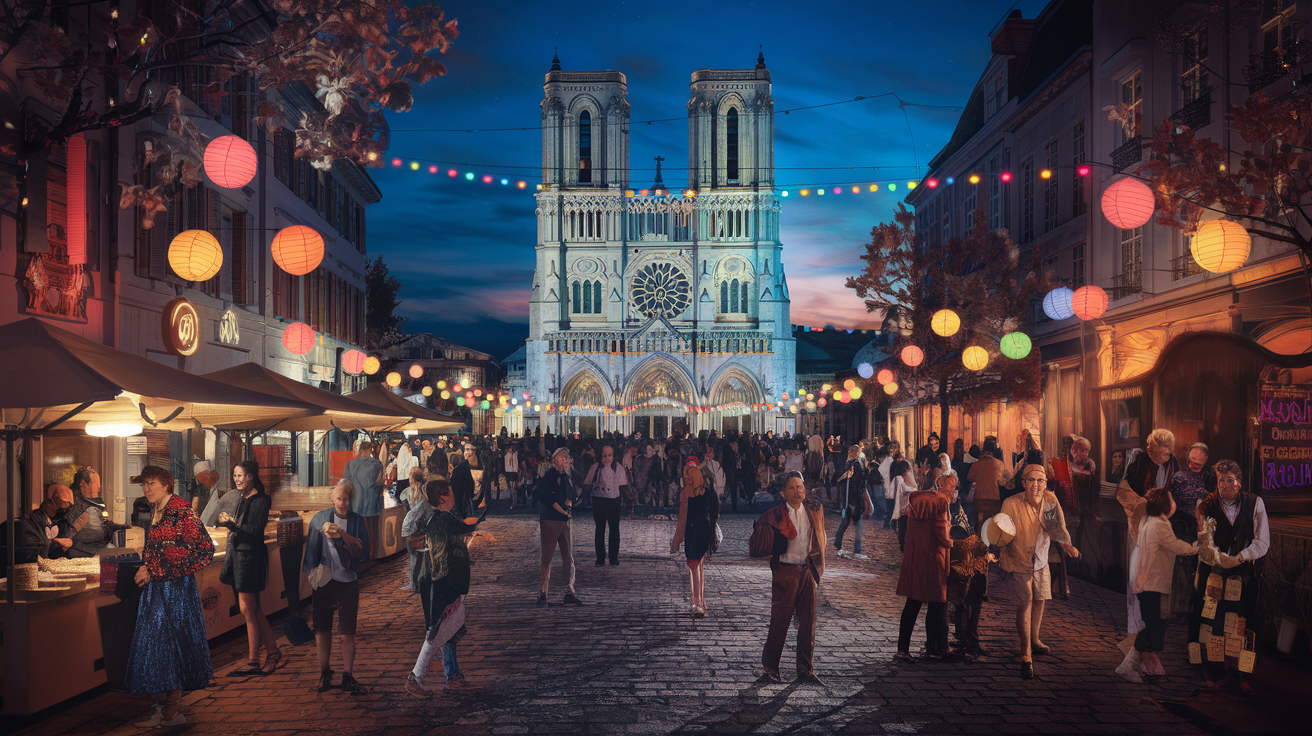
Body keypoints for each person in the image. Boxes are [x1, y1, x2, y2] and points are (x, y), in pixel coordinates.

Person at [125, 466, 215, 728]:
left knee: (171, 646)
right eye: (143, 484)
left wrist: (157, 570)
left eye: (151, 483)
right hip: (157, 591)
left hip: (175, 591)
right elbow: (158, 549)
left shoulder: (180, 510)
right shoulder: (156, 509)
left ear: (167, 485)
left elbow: (204, 550)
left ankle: (172, 712)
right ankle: (165, 707)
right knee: (158, 649)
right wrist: (146, 566)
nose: (146, 488)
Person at [1189, 459, 1268, 689]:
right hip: (1215, 571)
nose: (1225, 485)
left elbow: (1262, 540)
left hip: (1244, 573)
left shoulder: (1256, 503)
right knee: (1213, 622)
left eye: (1230, 480)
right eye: (1221, 480)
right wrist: (1219, 557)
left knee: (1242, 624)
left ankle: (1242, 675)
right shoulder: (1206, 505)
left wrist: (1240, 557)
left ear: (1239, 482)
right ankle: (1215, 673)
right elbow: (1205, 540)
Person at [997, 464, 1080, 679]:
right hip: (1019, 560)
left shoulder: (1050, 500)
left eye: (1040, 480)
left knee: (1040, 597)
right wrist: (1016, 555)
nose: (1036, 485)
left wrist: (1066, 545)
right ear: (1023, 482)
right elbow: (1002, 535)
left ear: (1046, 483)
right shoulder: (1011, 503)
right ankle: (1026, 656)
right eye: (1031, 480)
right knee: (1025, 601)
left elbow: (1055, 527)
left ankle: (1034, 639)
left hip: (1041, 558)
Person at [404, 479, 481, 697]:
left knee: (448, 628)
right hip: (443, 583)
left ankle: (451, 675)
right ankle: (417, 676)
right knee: (440, 630)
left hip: (442, 582)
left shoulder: (437, 519)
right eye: (451, 492)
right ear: (444, 497)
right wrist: (480, 525)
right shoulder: (443, 519)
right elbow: (467, 525)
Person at [749, 471, 826, 684]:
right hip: (785, 571)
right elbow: (758, 545)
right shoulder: (774, 514)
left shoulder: (813, 511)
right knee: (780, 622)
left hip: (807, 571)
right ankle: (771, 668)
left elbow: (821, 538)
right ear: (783, 493)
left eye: (800, 487)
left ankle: (806, 669)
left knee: (808, 622)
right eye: (791, 488)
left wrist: (816, 568)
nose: (797, 491)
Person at [1116, 488, 1198, 682]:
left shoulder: (1150, 521)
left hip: (1145, 581)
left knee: (1151, 623)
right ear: (1164, 503)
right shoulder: (1159, 525)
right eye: (1171, 498)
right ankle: (1127, 665)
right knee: (1152, 624)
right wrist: (1197, 548)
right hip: (1152, 583)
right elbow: (1175, 546)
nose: (1174, 502)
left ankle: (1144, 664)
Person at [302, 480, 371, 694]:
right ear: (332, 498)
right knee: (322, 630)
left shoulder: (357, 521)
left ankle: (348, 675)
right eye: (339, 498)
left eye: (346, 499)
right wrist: (312, 575)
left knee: (347, 631)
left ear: (350, 500)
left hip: (348, 581)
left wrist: (341, 535)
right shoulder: (319, 518)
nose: (342, 503)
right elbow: (311, 554)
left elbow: (363, 551)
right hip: (324, 582)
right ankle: (325, 672)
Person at [218, 460, 281, 676]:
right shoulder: (242, 499)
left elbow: (254, 530)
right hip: (239, 557)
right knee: (252, 609)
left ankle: (254, 661)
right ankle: (272, 652)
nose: (237, 479)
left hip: (250, 558)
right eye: (235, 476)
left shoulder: (262, 500)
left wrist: (231, 524)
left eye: (241, 475)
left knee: (247, 609)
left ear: (251, 476)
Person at [895, 472, 953, 661]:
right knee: (936, 603)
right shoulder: (941, 502)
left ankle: (902, 649)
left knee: (913, 602)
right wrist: (952, 542)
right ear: (942, 486)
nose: (954, 491)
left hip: (915, 557)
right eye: (952, 486)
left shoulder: (918, 498)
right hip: (934, 557)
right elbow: (942, 533)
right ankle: (934, 648)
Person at [946, 477, 994, 662]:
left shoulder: (959, 507)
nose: (953, 491)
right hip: (953, 558)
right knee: (963, 596)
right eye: (950, 487)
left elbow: (968, 532)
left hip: (966, 555)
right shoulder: (945, 506)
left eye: (954, 488)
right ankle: (964, 637)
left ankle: (969, 637)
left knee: (976, 590)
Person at [1166, 442, 1215, 617]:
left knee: (1201, 568)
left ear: (1205, 459)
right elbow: (1170, 502)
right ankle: (1181, 608)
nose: (1194, 463)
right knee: (1183, 568)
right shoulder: (1178, 477)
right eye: (1192, 459)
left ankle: (1197, 608)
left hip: (1204, 527)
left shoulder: (1210, 477)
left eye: (1198, 460)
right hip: (1183, 525)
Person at [670, 457, 719, 617]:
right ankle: (698, 602)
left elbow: (686, 519)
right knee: (696, 566)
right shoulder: (694, 492)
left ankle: (697, 602)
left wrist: (677, 540)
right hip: (697, 531)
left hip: (699, 531)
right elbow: (684, 518)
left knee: (695, 566)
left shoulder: (696, 493)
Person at [538, 448, 581, 606]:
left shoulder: (567, 476)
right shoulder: (549, 476)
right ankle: (543, 592)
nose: (566, 460)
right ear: (555, 459)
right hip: (551, 520)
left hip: (564, 520)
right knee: (547, 557)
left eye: (567, 458)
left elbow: (570, 495)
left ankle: (569, 590)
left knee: (568, 557)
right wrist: (562, 510)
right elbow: (548, 497)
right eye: (563, 457)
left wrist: (569, 506)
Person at [583, 445, 628, 566]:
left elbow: (623, 485)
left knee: (614, 529)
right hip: (599, 500)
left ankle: (613, 557)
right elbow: (587, 483)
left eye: (610, 455)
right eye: (604, 456)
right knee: (600, 529)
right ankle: (600, 558)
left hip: (614, 501)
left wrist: (627, 499)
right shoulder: (595, 468)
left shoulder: (618, 468)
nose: (607, 458)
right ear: (600, 456)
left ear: (614, 456)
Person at [18, 484, 74, 563]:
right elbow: (30, 553)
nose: (65, 509)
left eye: (68, 505)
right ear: (49, 503)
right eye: (61, 504)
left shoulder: (63, 524)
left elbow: (65, 556)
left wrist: (67, 544)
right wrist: (55, 542)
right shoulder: (31, 521)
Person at [834, 445, 870, 560]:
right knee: (858, 523)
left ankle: (838, 544)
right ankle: (857, 549)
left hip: (847, 498)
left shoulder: (846, 464)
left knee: (845, 522)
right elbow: (861, 480)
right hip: (855, 498)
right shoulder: (856, 465)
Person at [67, 466, 109, 557]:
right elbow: (68, 537)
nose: (95, 473)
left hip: (98, 554)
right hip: (81, 556)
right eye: (91, 472)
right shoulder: (79, 508)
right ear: (83, 483)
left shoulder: (99, 504)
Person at [967, 440, 1009, 528]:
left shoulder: (975, 465)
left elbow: (969, 478)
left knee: (979, 529)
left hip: (979, 501)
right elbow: (1004, 482)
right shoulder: (1000, 465)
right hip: (994, 502)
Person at [343, 441, 384, 517]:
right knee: (370, 527)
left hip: (355, 504)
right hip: (371, 503)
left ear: (361, 450)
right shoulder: (377, 464)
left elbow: (346, 484)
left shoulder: (349, 464)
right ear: (370, 450)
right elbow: (379, 482)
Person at [889, 459, 917, 552]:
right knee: (903, 533)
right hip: (902, 510)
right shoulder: (899, 478)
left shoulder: (897, 479)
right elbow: (905, 489)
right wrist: (916, 489)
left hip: (902, 510)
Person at [451, 446, 478, 519]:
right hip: (466, 494)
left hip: (461, 495)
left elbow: (456, 485)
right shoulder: (465, 467)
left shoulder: (458, 470)